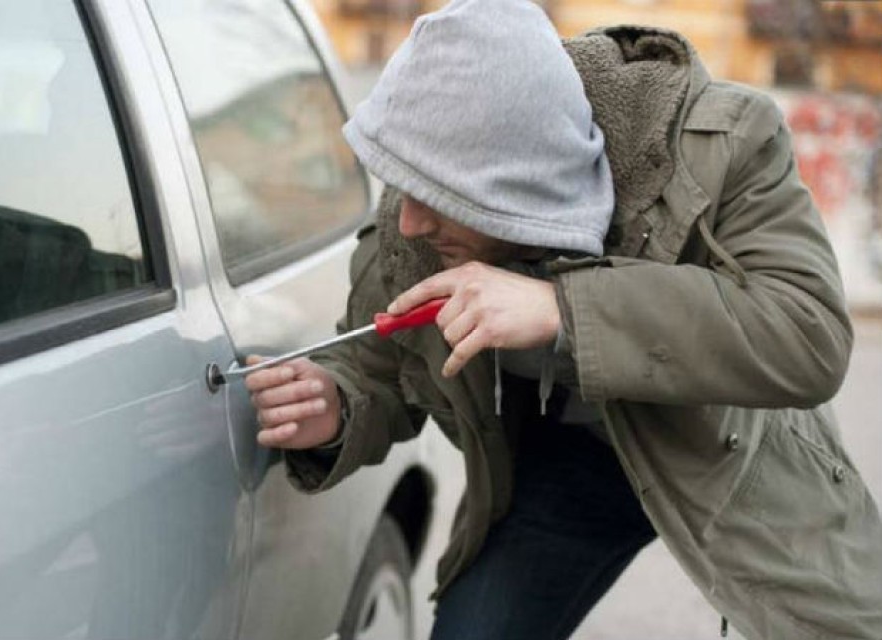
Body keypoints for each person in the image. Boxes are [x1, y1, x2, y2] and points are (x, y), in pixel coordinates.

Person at [245, 1, 882, 638]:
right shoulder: (423, 201)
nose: (410, 222)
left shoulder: (724, 144)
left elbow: (808, 334)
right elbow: (382, 364)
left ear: (514, 182)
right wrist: (337, 403)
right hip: (567, 469)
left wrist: (561, 309)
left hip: (730, 452)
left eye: (436, 198)